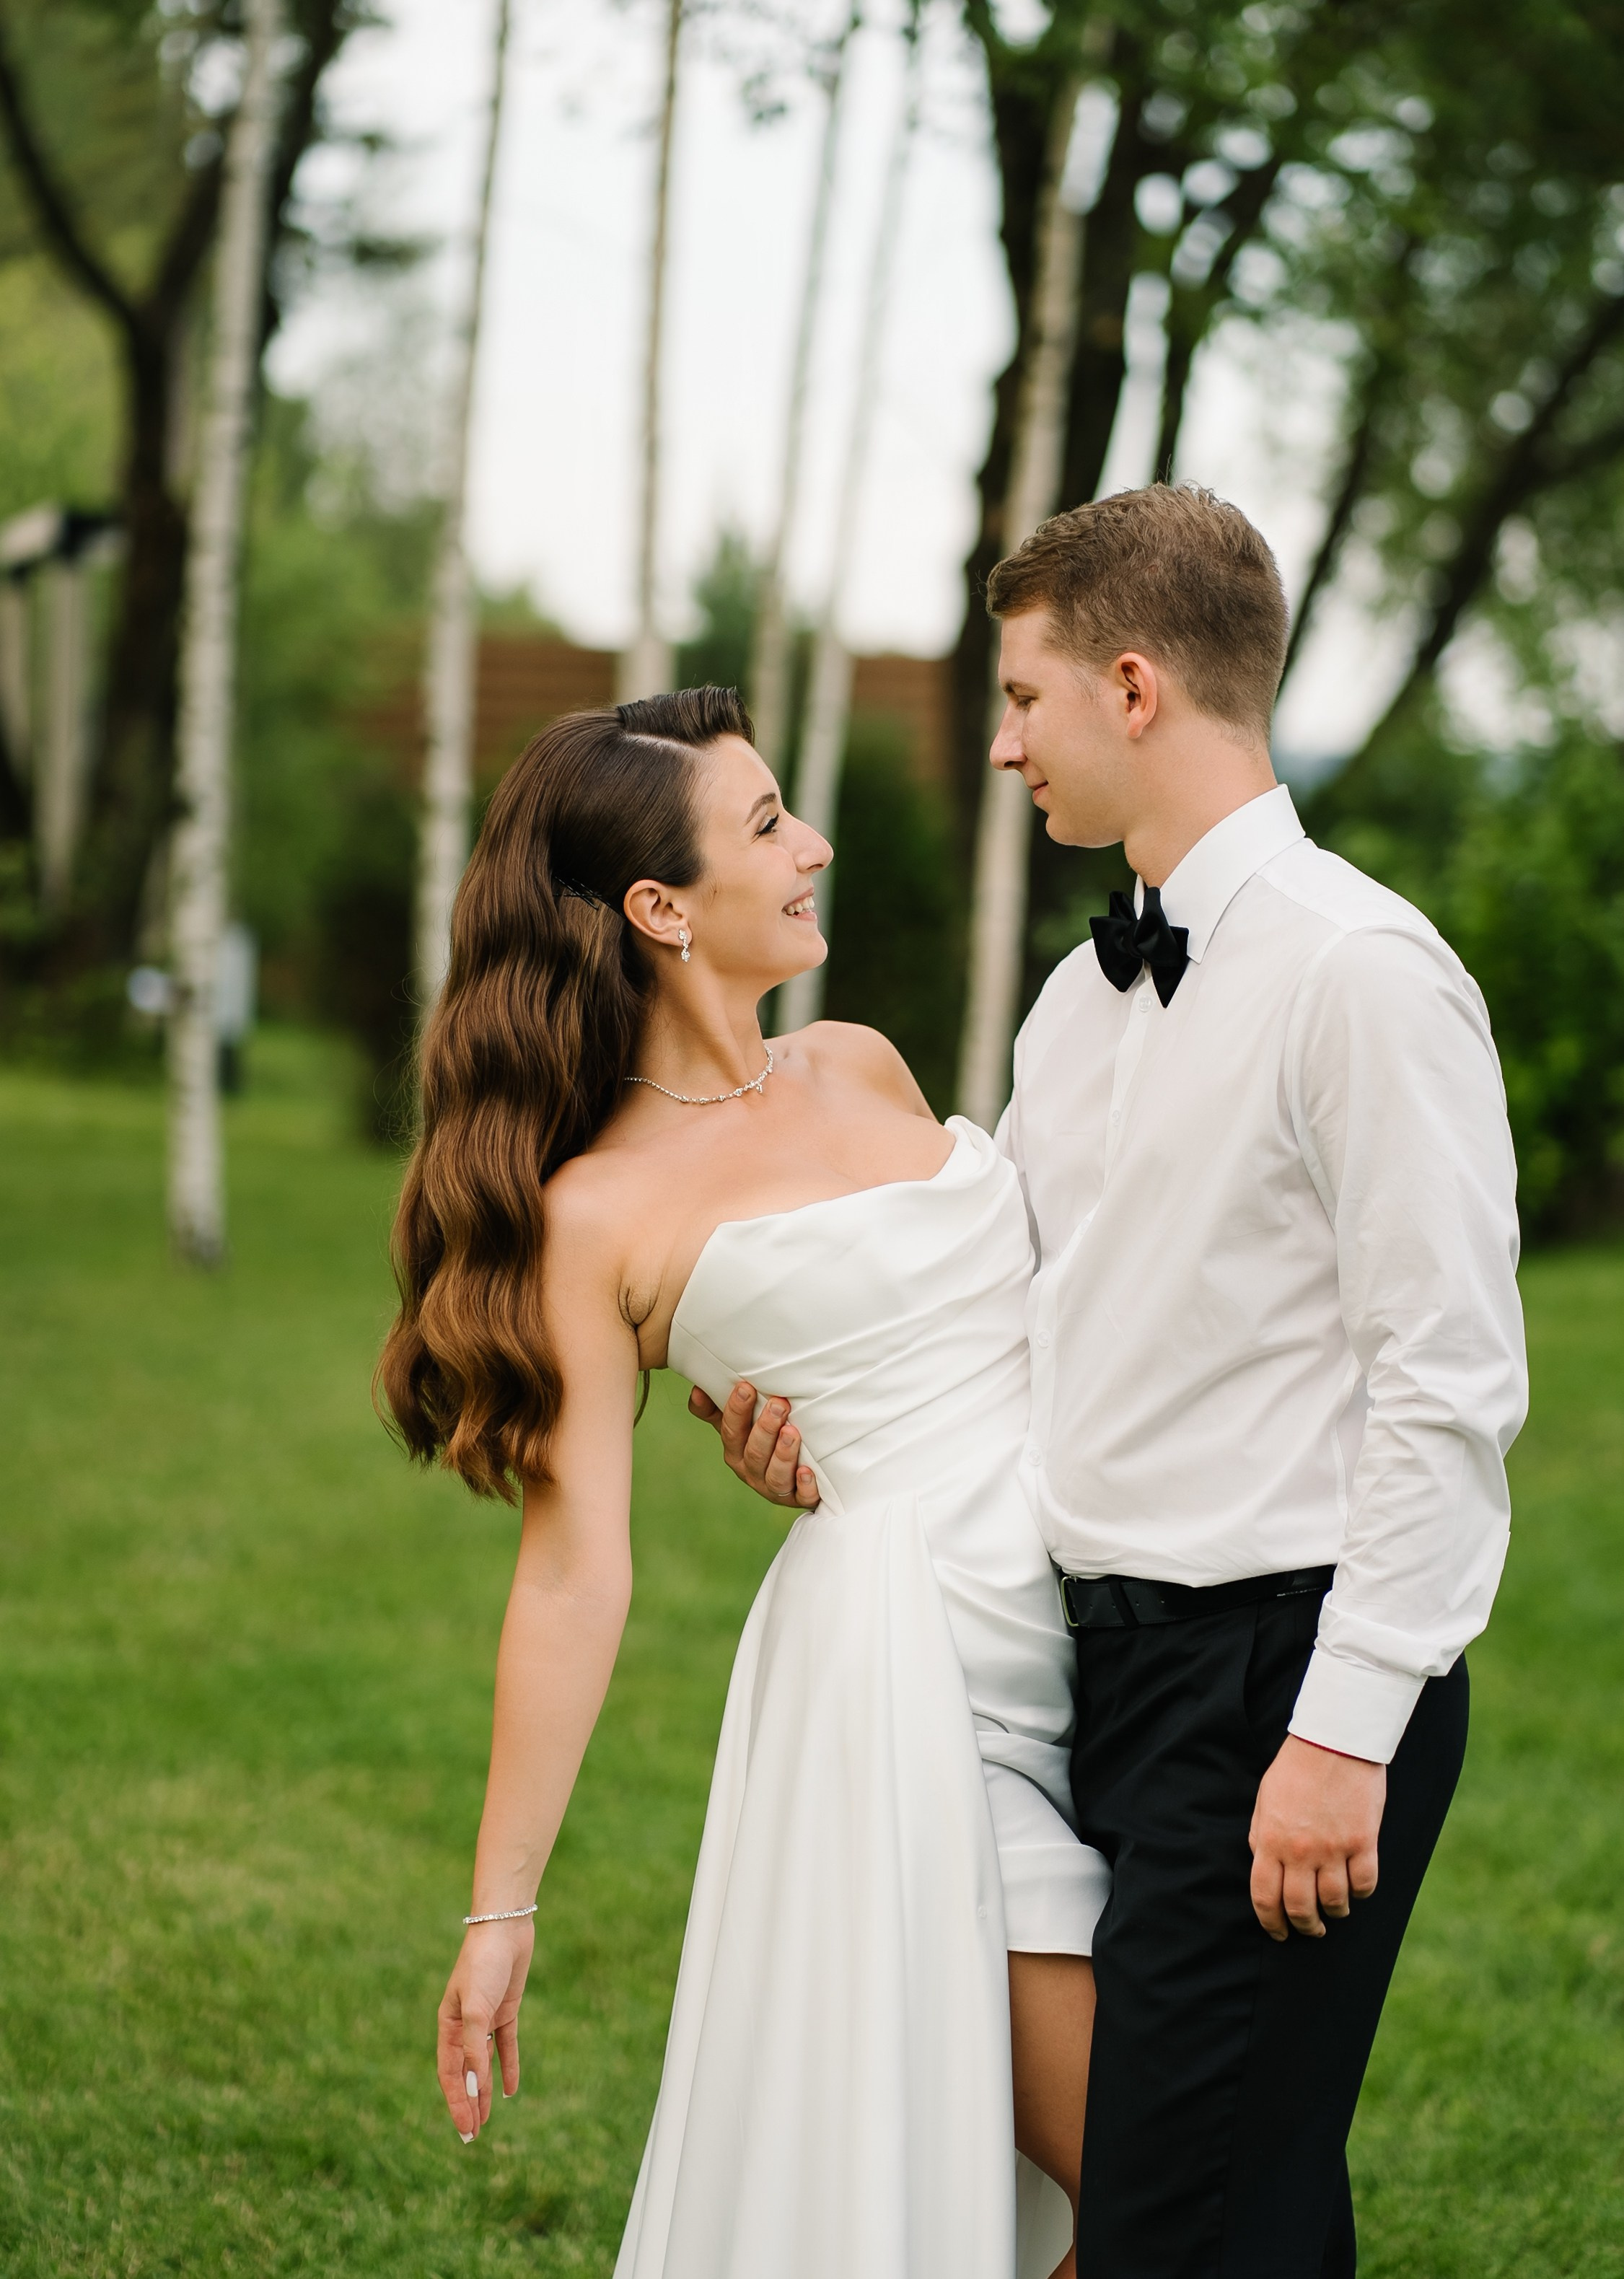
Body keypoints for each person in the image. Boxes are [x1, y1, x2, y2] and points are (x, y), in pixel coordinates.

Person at [693, 485, 1529, 2277]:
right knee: (1200, 2193)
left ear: (1132, 686)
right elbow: (1016, 1314)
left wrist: (1336, 1729)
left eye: (1020, 699)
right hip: (1086, 1669)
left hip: (1276, 1675)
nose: (1001, 745)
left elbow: (1447, 1380)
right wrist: (824, 1420)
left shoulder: (1362, 975)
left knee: (1182, 2213)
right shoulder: (1074, 1006)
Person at [378, 685, 1107, 2279]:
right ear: (659, 908)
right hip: (921, 1702)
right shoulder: (597, 1217)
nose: (815, 846)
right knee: (1141, 2166)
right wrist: (499, 1910)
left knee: (1098, 2196)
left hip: (1117, 1633)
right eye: (769, 823)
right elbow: (576, 1573)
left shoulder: (860, 1062)